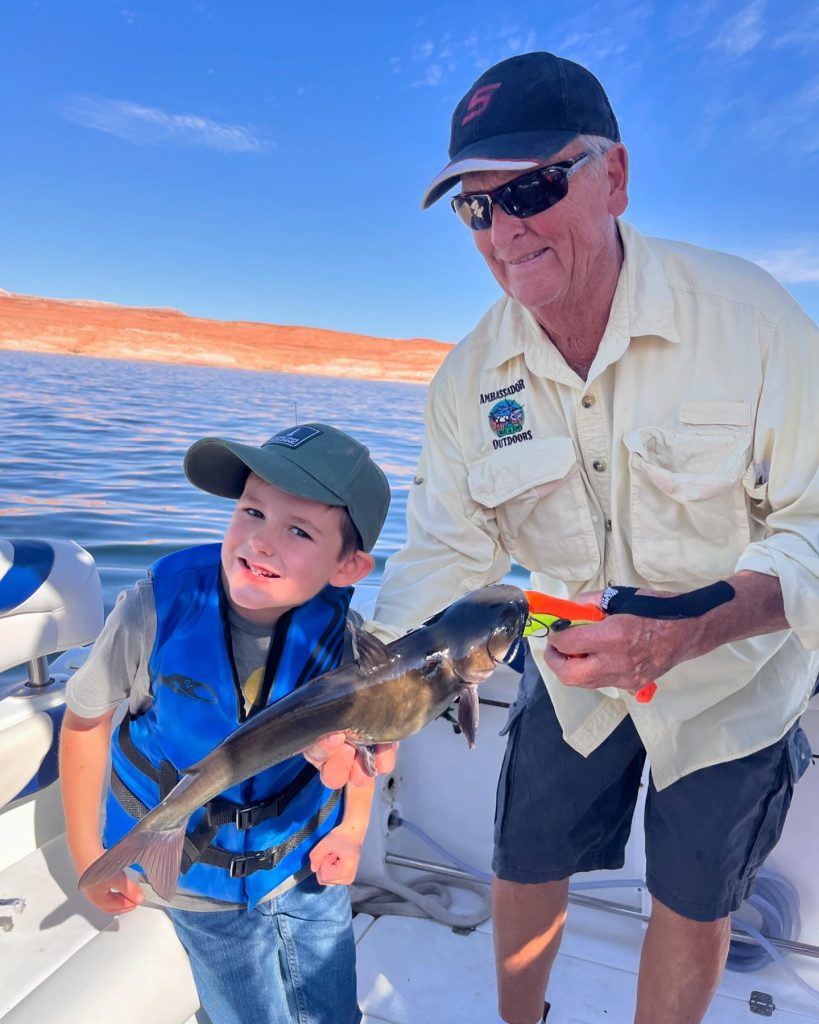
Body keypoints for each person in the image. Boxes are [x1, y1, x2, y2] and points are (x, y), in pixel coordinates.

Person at [369, 51, 819, 1024]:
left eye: (532, 186)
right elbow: (447, 549)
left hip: (733, 682)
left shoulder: (754, 322)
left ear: (614, 177)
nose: (506, 228)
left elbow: (816, 522)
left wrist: (692, 628)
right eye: (476, 208)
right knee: (525, 858)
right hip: (566, 674)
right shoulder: (469, 380)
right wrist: (365, 685)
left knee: (693, 901)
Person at [60, 422, 391, 1024]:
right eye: (251, 511)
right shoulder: (154, 609)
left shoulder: (346, 643)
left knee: (333, 1010)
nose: (261, 542)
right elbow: (84, 723)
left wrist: (353, 830)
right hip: (194, 877)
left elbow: (363, 743)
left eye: (298, 530)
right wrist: (90, 854)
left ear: (348, 567)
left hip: (305, 864)